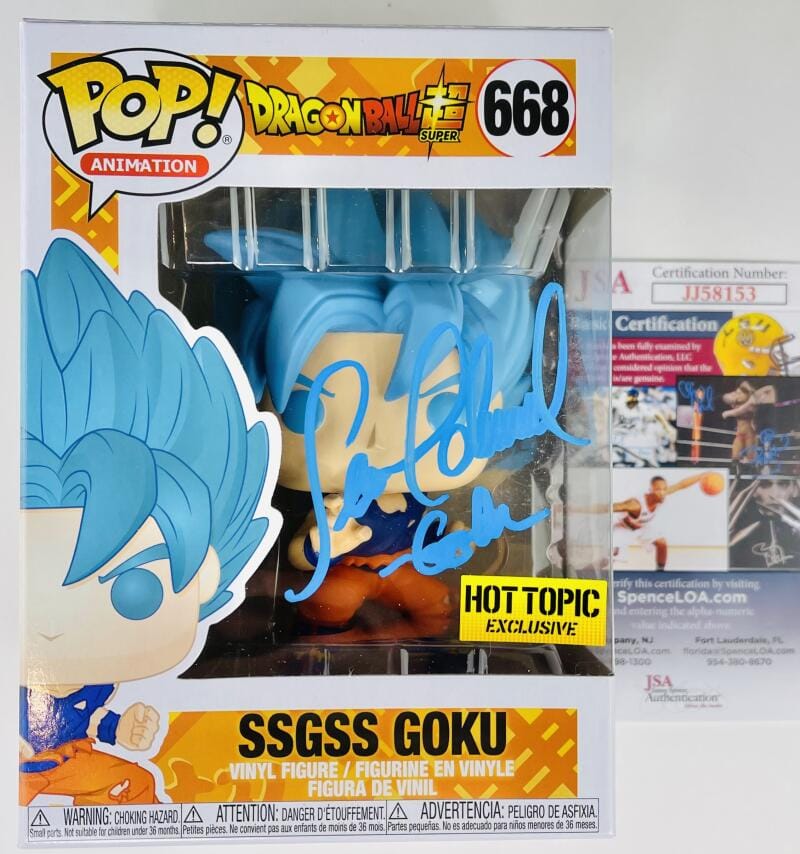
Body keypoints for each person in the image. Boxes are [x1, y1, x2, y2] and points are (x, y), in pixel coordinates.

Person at [20, 239, 274, 805]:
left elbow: (95, 720)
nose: (53, 629)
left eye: (135, 591)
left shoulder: (97, 678)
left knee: (134, 789)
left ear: (205, 576)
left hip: (76, 764)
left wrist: (124, 728)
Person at [612, 473, 704, 570]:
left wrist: (701, 476)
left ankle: (660, 574)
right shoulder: (636, 504)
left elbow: (681, 485)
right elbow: (613, 507)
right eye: (658, 489)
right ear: (650, 490)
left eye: (664, 489)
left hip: (642, 527)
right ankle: (600, 574)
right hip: (624, 528)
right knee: (608, 559)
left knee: (661, 543)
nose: (662, 493)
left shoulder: (662, 495)